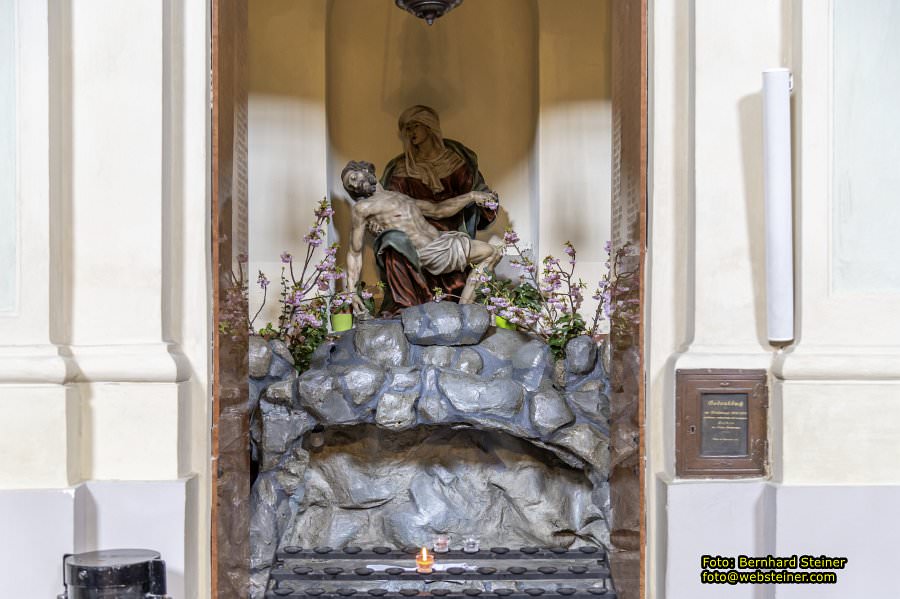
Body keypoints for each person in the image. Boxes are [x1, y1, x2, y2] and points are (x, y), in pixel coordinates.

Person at [341, 161, 502, 317]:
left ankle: (463, 311)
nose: (355, 186)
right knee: (490, 253)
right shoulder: (363, 208)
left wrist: (472, 196)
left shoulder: (399, 196)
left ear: (365, 170)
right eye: (351, 186)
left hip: (442, 241)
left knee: (493, 253)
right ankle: (463, 313)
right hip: (428, 252)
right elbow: (354, 252)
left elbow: (438, 210)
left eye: (354, 178)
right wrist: (351, 292)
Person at [377, 105, 497, 313]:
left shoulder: (457, 162)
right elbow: (389, 206)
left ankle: (464, 312)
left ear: (429, 126)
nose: (410, 133)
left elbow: (478, 193)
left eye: (415, 126)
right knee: (394, 247)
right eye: (406, 128)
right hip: (418, 238)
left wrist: (487, 201)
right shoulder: (402, 169)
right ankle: (408, 310)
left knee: (491, 252)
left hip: (452, 234)